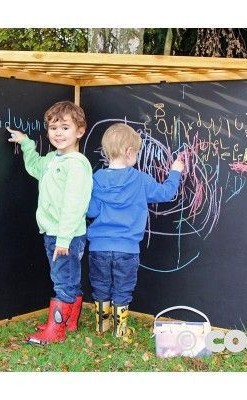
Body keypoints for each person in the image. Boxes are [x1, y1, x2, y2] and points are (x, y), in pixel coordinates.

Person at [87, 123, 184, 337]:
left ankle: (102, 326)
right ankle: (120, 330)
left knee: (101, 286)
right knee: (122, 288)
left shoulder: (97, 179)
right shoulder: (140, 180)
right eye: (137, 152)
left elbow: (91, 211)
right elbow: (165, 193)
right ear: (130, 152)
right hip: (127, 249)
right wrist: (175, 172)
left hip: (98, 248)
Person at [7, 101, 92, 345]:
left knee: (62, 280)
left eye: (65, 128)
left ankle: (56, 330)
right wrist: (26, 143)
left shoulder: (76, 164)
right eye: (54, 128)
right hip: (55, 233)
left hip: (65, 236)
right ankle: (68, 321)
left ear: (80, 131)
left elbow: (74, 205)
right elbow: (35, 166)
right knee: (69, 278)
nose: (58, 133)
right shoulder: (53, 159)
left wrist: (64, 239)